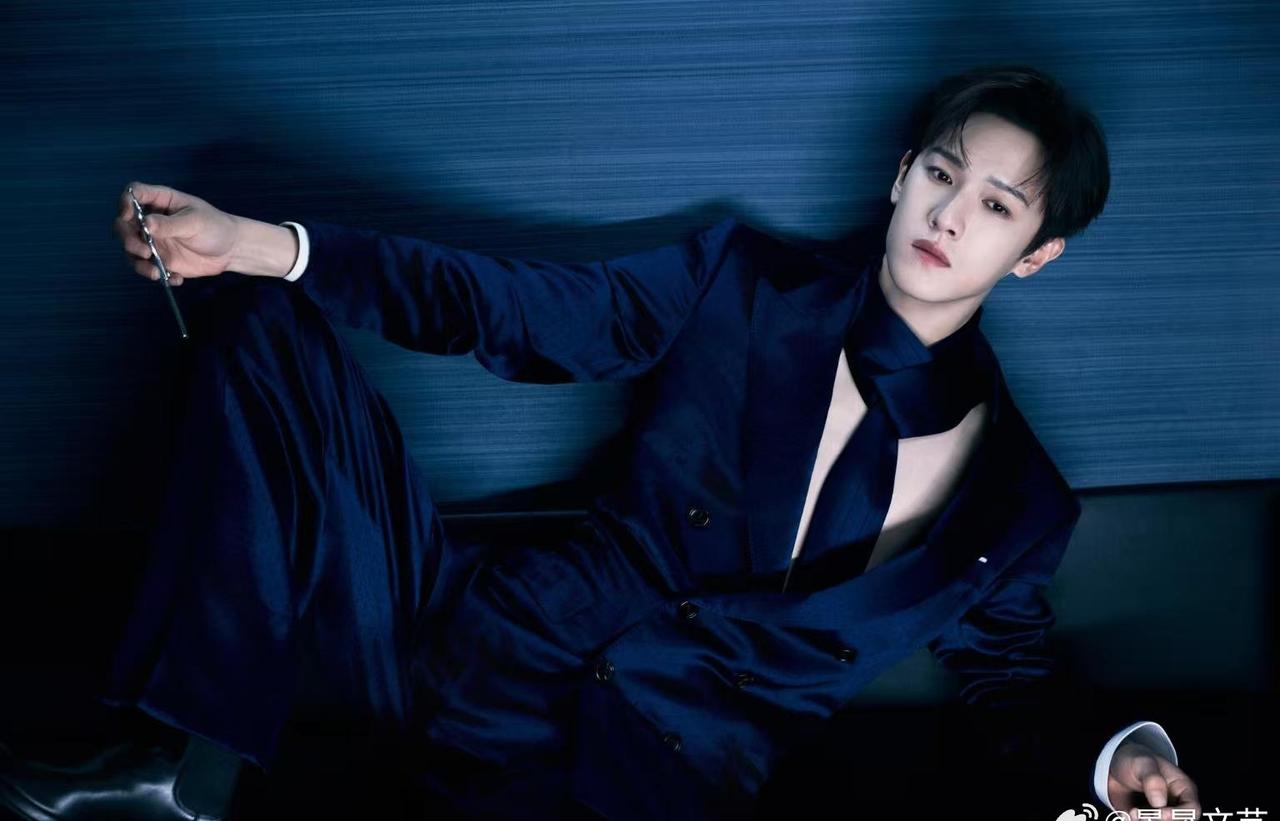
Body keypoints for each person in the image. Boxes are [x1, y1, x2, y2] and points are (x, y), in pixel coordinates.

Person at [0, 64, 1202, 820]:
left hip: (641, 780)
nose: (949, 213)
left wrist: (1124, 748)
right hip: (456, 644)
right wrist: (267, 243)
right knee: (255, 308)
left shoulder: (1017, 505)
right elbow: (515, 305)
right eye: (941, 172)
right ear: (899, 176)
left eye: (995, 204)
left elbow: (1009, 676)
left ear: (1035, 252)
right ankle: (178, 758)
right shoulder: (738, 280)